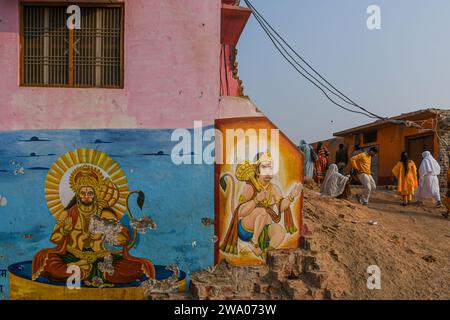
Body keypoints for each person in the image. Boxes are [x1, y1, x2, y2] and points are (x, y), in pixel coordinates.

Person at [32, 165, 155, 285]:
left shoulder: (105, 214)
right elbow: (54, 238)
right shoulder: (67, 213)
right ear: (77, 194)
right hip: (73, 257)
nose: (86, 196)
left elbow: (124, 240)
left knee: (135, 267)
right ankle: (81, 269)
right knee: (49, 264)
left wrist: (108, 230)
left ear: (95, 194)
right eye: (83, 193)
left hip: (102, 260)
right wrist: (65, 231)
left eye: (90, 193)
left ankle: (84, 270)